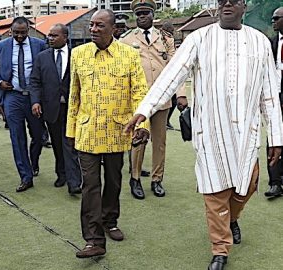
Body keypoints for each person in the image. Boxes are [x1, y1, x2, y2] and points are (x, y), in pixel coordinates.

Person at [125, 1, 283, 269]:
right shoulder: (199, 37)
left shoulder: (258, 41)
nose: (227, 5)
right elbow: (172, 75)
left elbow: (269, 93)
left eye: (233, 1)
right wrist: (145, 109)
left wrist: (277, 137)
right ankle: (220, 248)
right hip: (210, 130)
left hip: (247, 133)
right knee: (214, 190)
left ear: (243, 6)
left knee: (247, 185)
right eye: (222, 1)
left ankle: (231, 219)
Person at [67, 9, 149, 258]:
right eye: (91, 25)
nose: (93, 29)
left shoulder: (130, 55)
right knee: (91, 185)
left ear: (113, 28)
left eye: (99, 25)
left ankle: (110, 221)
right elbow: (74, 95)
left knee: (113, 182)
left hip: (118, 131)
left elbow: (140, 93)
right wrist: (71, 130)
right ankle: (93, 239)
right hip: (87, 132)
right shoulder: (78, 54)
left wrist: (142, 126)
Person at [120, 0, 187, 200]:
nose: (142, 17)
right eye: (138, 14)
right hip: (138, 101)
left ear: (152, 15)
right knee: (139, 140)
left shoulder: (165, 39)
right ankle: (135, 178)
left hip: (161, 100)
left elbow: (177, 67)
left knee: (160, 142)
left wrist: (181, 93)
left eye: (145, 13)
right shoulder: (125, 39)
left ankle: (157, 179)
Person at [0, 16, 45, 192]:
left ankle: (33, 162)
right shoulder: (3, 45)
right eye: (16, 33)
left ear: (29, 30)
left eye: (23, 33)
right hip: (13, 96)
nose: (19, 36)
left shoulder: (39, 45)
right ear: (10, 31)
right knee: (17, 137)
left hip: (34, 98)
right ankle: (25, 176)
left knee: (39, 136)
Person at [30, 24, 82, 195]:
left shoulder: (78, 56)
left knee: (70, 144)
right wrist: (35, 102)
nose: (50, 38)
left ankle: (74, 182)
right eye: (49, 35)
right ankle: (62, 174)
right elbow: (35, 82)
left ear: (65, 37)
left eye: (54, 35)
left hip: (73, 108)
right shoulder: (41, 57)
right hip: (51, 108)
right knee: (58, 145)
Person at [265, 7, 283, 197]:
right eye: (272, 18)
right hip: (274, 99)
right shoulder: (271, 43)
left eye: (276, 18)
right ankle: (275, 182)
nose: (273, 21)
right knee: (273, 138)